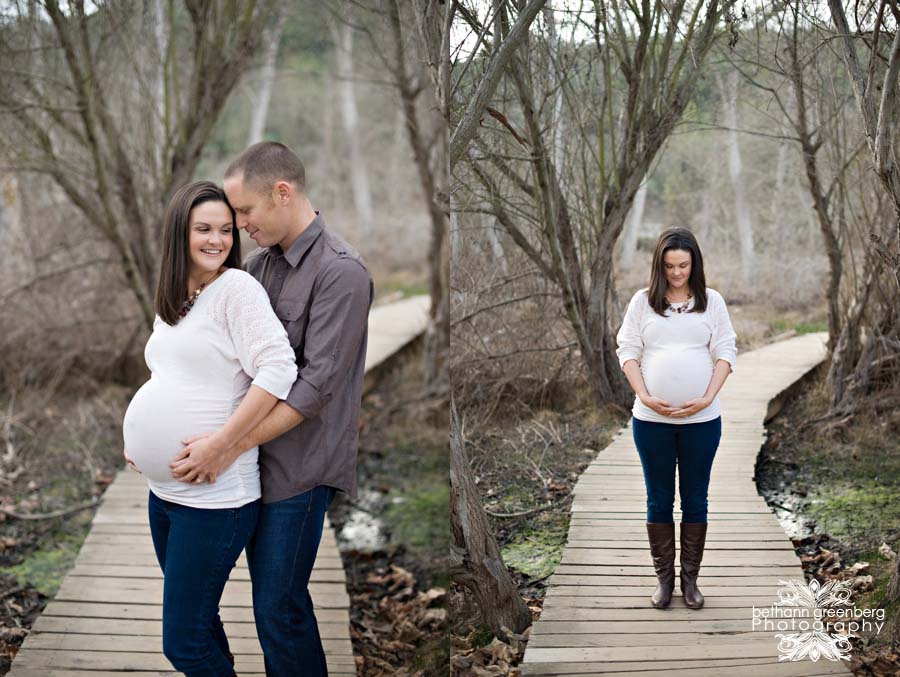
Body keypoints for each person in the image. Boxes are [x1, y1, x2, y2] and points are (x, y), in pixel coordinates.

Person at [168, 142, 374, 676]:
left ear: (282, 193)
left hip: (298, 470)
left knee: (277, 608)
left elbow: (314, 389)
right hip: (242, 467)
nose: (237, 225)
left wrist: (226, 444)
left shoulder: (342, 273)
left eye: (244, 212)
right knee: (197, 604)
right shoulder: (258, 266)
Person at [122, 180, 298, 676]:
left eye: (225, 229)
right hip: (165, 492)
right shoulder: (180, 295)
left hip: (215, 498)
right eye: (203, 228)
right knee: (200, 626)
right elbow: (170, 374)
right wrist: (136, 435)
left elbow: (279, 368)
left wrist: (223, 443)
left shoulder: (236, 290)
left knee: (183, 644)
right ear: (180, 232)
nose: (217, 239)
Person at [615, 226, 737, 610]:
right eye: (669, 266)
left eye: (683, 265)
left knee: (696, 499)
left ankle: (690, 581)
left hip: (703, 421)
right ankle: (664, 582)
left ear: (694, 264)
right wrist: (644, 394)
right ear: (659, 266)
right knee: (659, 499)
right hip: (651, 422)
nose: (677, 272)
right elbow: (627, 349)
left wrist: (706, 397)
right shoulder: (642, 302)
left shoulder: (711, 302)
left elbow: (726, 350)